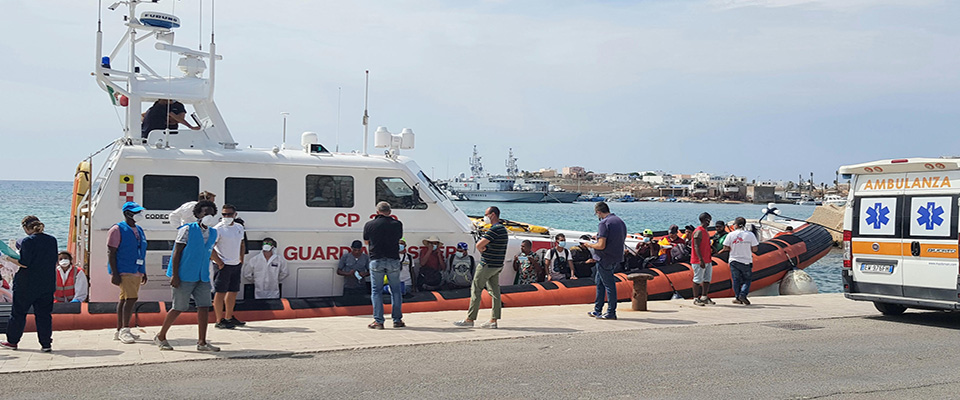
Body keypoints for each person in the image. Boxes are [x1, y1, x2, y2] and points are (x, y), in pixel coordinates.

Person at [154, 200, 220, 352]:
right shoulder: (187, 229)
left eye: (211, 213)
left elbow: (209, 251)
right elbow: (176, 253)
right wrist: (175, 275)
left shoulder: (213, 232)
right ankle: (161, 335)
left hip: (202, 275)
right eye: (205, 213)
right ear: (197, 215)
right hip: (184, 275)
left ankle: (202, 342)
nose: (208, 216)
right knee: (178, 307)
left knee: (204, 307)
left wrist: (220, 262)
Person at [1, 216, 57, 352]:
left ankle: (13, 341)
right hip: (47, 283)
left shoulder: (27, 241)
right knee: (44, 315)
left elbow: (24, 263)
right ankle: (46, 344)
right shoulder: (52, 240)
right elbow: (54, 261)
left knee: (18, 313)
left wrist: (9, 258)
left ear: (26, 228)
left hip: (26, 284)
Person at [454, 206, 508, 329]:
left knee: (476, 289)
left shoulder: (494, 230)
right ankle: (494, 320)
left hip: (487, 264)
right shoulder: (503, 230)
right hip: (497, 265)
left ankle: (470, 319)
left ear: (492, 215)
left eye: (486, 214)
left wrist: (483, 251)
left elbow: (479, 245)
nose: (485, 217)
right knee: (495, 292)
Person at [107, 202, 148, 344]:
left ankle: (120, 330)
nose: (139, 215)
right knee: (131, 299)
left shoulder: (140, 229)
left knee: (125, 299)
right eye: (136, 212)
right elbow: (111, 253)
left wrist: (144, 271)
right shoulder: (117, 229)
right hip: (124, 269)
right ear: (127, 214)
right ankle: (125, 329)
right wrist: (115, 273)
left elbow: (141, 251)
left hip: (137, 270)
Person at [363, 201, 405, 329]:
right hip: (393, 259)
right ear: (390, 212)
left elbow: (366, 241)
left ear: (377, 212)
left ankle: (378, 321)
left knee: (376, 291)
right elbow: (399, 238)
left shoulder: (370, 225)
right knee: (396, 290)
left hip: (377, 259)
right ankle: (397, 320)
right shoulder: (397, 224)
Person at [582, 202, 627, 320]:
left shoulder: (604, 223)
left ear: (598, 212)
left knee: (609, 285)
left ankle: (611, 311)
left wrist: (590, 245)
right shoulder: (619, 221)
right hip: (615, 257)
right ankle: (598, 309)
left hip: (604, 258)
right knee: (600, 283)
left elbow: (601, 245)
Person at [211, 204, 246, 329]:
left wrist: (241, 259)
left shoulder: (239, 227)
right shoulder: (217, 229)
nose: (226, 217)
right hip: (223, 266)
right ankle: (219, 320)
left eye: (229, 214)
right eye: (224, 214)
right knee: (220, 292)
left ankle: (229, 317)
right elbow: (210, 248)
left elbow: (242, 243)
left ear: (235, 215)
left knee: (233, 291)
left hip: (236, 264)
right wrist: (220, 262)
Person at [723, 217, 760, 305]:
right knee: (747, 280)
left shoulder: (731, 235)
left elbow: (725, 247)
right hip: (746, 260)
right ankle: (743, 294)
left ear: (735, 225)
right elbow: (755, 249)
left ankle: (737, 297)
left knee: (736, 280)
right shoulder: (750, 235)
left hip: (734, 260)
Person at [690, 212, 714, 306]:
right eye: (708, 220)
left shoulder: (705, 231)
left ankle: (704, 296)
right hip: (699, 260)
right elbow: (696, 246)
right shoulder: (699, 231)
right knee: (697, 279)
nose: (709, 222)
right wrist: (701, 259)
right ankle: (696, 298)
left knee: (707, 278)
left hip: (707, 259)